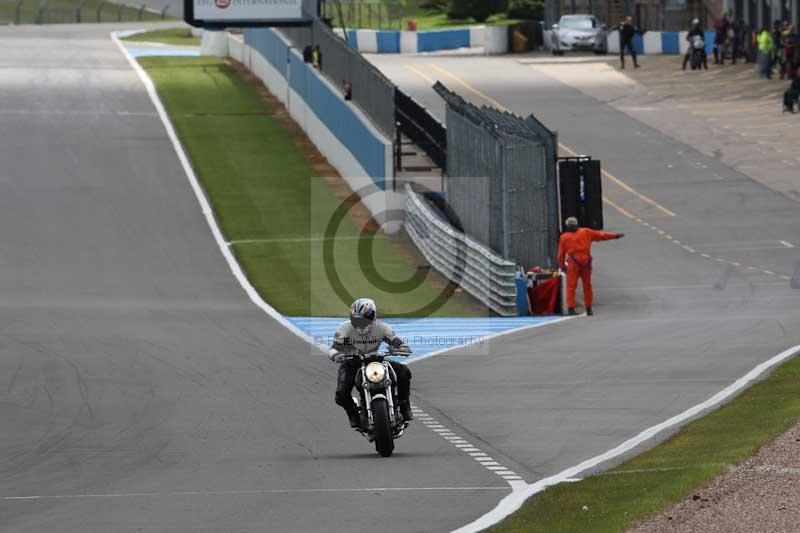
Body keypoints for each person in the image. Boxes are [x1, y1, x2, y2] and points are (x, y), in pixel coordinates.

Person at [329, 298, 413, 428]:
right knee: (341, 395)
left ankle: (404, 404)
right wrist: (335, 354)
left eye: (363, 320)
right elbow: (335, 347)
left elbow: (397, 341)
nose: (359, 323)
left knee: (404, 371)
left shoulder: (382, 327)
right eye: (356, 320)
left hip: (376, 361)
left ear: (372, 316)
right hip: (353, 362)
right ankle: (353, 413)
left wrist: (401, 348)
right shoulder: (344, 329)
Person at [557, 217, 624, 316]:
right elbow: (602, 235)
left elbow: (560, 255)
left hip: (573, 264)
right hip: (586, 263)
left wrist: (563, 267)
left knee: (571, 287)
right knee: (587, 286)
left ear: (567, 226)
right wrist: (615, 236)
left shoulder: (564, 237)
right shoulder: (585, 232)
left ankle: (571, 308)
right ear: (577, 224)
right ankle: (589, 308)